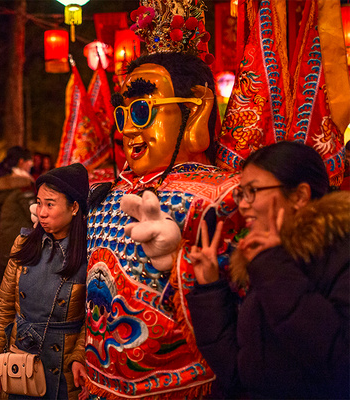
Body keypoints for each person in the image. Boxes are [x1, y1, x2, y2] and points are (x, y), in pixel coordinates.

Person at [82, 2, 246, 398]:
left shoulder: (227, 195)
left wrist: (179, 262)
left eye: (143, 110)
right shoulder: (109, 193)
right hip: (100, 377)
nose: (128, 131)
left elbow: (247, 297)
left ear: (196, 112)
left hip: (183, 382)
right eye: (123, 116)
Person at [187, 141, 350, 399]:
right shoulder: (265, 260)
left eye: (253, 191)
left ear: (299, 196)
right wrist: (209, 288)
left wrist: (275, 265)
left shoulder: (340, 252)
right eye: (242, 193)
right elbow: (239, 373)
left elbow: (338, 364)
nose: (242, 205)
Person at [0, 163, 90, 400]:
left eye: (50, 204)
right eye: (39, 202)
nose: (41, 212)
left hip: (63, 367)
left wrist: (80, 356)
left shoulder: (88, 254)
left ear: (74, 207)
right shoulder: (24, 244)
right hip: (20, 359)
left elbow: (94, 318)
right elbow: (4, 308)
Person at [0, 146, 36, 267]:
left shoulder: (0, 183)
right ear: (21, 162)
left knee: (6, 281)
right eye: (30, 161)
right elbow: (32, 213)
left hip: (4, 237)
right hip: (19, 240)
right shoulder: (23, 184)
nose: (32, 165)